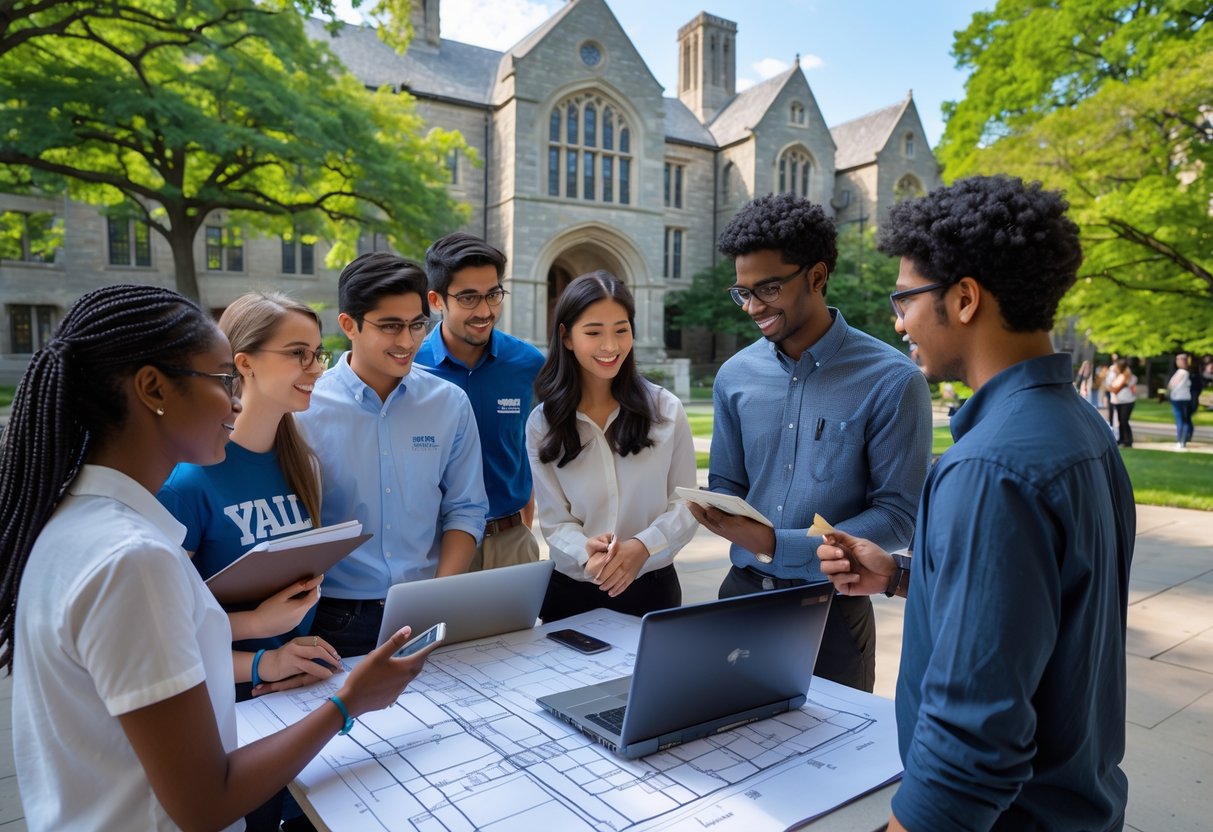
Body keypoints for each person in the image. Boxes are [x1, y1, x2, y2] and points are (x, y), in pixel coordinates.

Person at [0, 284, 436, 832]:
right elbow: (206, 801)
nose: (235, 401)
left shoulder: (76, 524)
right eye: (223, 379)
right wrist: (350, 702)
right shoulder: (132, 560)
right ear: (154, 388)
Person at [818, 175, 1135, 831]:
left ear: (963, 299)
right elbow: (1038, 608)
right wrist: (904, 573)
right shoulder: (1080, 428)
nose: (896, 318)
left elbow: (973, 734)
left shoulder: (989, 467)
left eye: (903, 297)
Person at [687, 192, 933, 693]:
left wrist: (782, 545)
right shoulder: (734, 376)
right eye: (743, 292)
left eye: (769, 289)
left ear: (817, 277)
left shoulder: (892, 379)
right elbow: (728, 481)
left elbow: (898, 515)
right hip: (739, 599)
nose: (753, 307)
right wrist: (719, 512)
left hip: (833, 611)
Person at [157, 291, 333, 831]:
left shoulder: (303, 464)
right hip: (231, 709)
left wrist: (296, 656)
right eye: (297, 353)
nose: (314, 368)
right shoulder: (189, 479)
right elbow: (168, 635)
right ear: (244, 362)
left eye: (319, 353)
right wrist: (262, 659)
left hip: (301, 693)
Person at [296, 253, 488, 658]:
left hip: (427, 610)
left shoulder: (450, 403)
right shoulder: (304, 408)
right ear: (348, 325)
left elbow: (466, 509)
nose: (407, 341)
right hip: (333, 619)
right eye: (390, 326)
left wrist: (437, 596)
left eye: (417, 325)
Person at [527, 271, 698, 621]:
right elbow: (556, 520)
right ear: (567, 337)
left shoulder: (665, 410)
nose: (610, 346)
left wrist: (643, 546)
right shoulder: (543, 423)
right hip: (571, 593)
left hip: (652, 588)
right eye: (593, 332)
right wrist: (584, 551)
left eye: (621, 330)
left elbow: (685, 503)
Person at [417, 232, 544, 570]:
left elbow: (537, 446)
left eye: (494, 294)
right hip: (432, 547)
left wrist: (522, 527)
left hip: (512, 543)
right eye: (469, 298)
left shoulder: (528, 363)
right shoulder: (409, 367)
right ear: (436, 300)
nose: (486, 310)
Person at [1167, 352, 1194, 449]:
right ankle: (1182, 440)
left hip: (1179, 398)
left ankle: (1181, 440)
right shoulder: (1183, 372)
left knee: (1181, 420)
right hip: (1183, 398)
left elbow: (1171, 384)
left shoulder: (1182, 372)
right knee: (1184, 420)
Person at [1108, 357, 1137, 448]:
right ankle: (1121, 439)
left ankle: (1128, 440)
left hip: (1127, 401)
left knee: (1124, 420)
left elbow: (1115, 388)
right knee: (1120, 421)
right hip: (1119, 401)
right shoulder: (1118, 375)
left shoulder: (1126, 376)